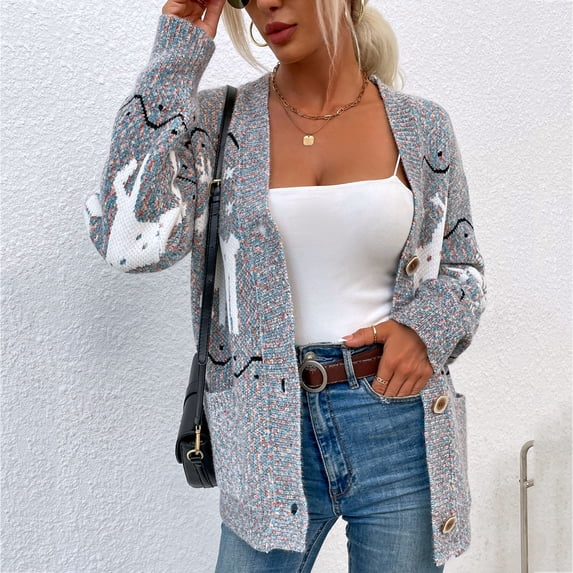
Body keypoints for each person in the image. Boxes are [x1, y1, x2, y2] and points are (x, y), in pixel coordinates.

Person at [85, 0, 486, 570]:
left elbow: (463, 270)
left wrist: (423, 332)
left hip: (397, 420)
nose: (267, 3)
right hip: (266, 429)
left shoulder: (423, 126)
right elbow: (125, 240)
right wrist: (176, 52)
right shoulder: (216, 123)